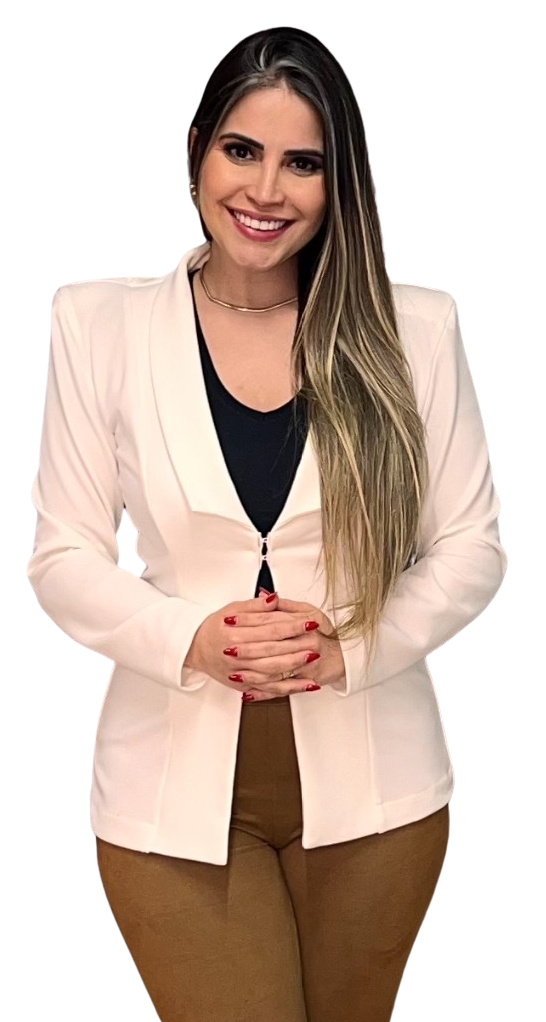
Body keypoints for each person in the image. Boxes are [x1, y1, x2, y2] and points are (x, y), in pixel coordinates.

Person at [26, 26, 508, 1022]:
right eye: (241, 150)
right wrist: (189, 637)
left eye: (303, 163)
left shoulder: (412, 329)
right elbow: (61, 556)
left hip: (376, 792)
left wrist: (352, 645)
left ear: (339, 185)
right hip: (169, 793)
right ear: (196, 152)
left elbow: (470, 548)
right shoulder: (97, 322)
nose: (266, 189)